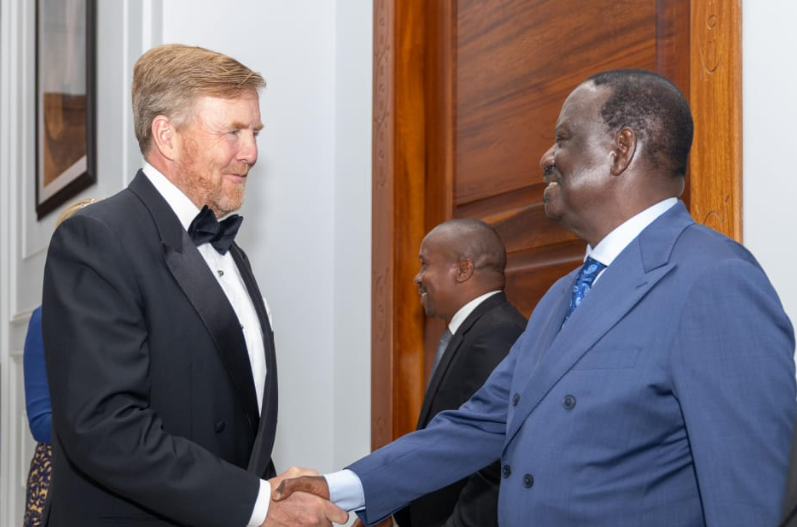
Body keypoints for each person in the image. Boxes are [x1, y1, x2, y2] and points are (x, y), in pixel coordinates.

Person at [275, 69, 797, 527]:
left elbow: (753, 498)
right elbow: (479, 423)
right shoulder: (560, 297)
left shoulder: (715, 280)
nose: (546, 156)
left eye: (563, 138)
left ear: (622, 150)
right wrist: (341, 487)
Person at [41, 44, 346, 527]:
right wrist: (258, 506)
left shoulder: (232, 254)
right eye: (233, 132)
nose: (251, 152)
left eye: (254, 132)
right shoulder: (96, 237)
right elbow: (104, 428)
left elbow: (236, 418)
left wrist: (270, 495)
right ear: (167, 135)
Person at [391, 219, 526, 527]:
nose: (418, 277)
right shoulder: (474, 330)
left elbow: (494, 460)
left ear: (463, 270)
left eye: (425, 264)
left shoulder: (498, 333)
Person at [23, 198, 98, 527]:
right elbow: (40, 420)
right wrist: (110, 434)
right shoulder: (44, 320)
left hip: (131, 471)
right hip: (61, 470)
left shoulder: (137, 317)